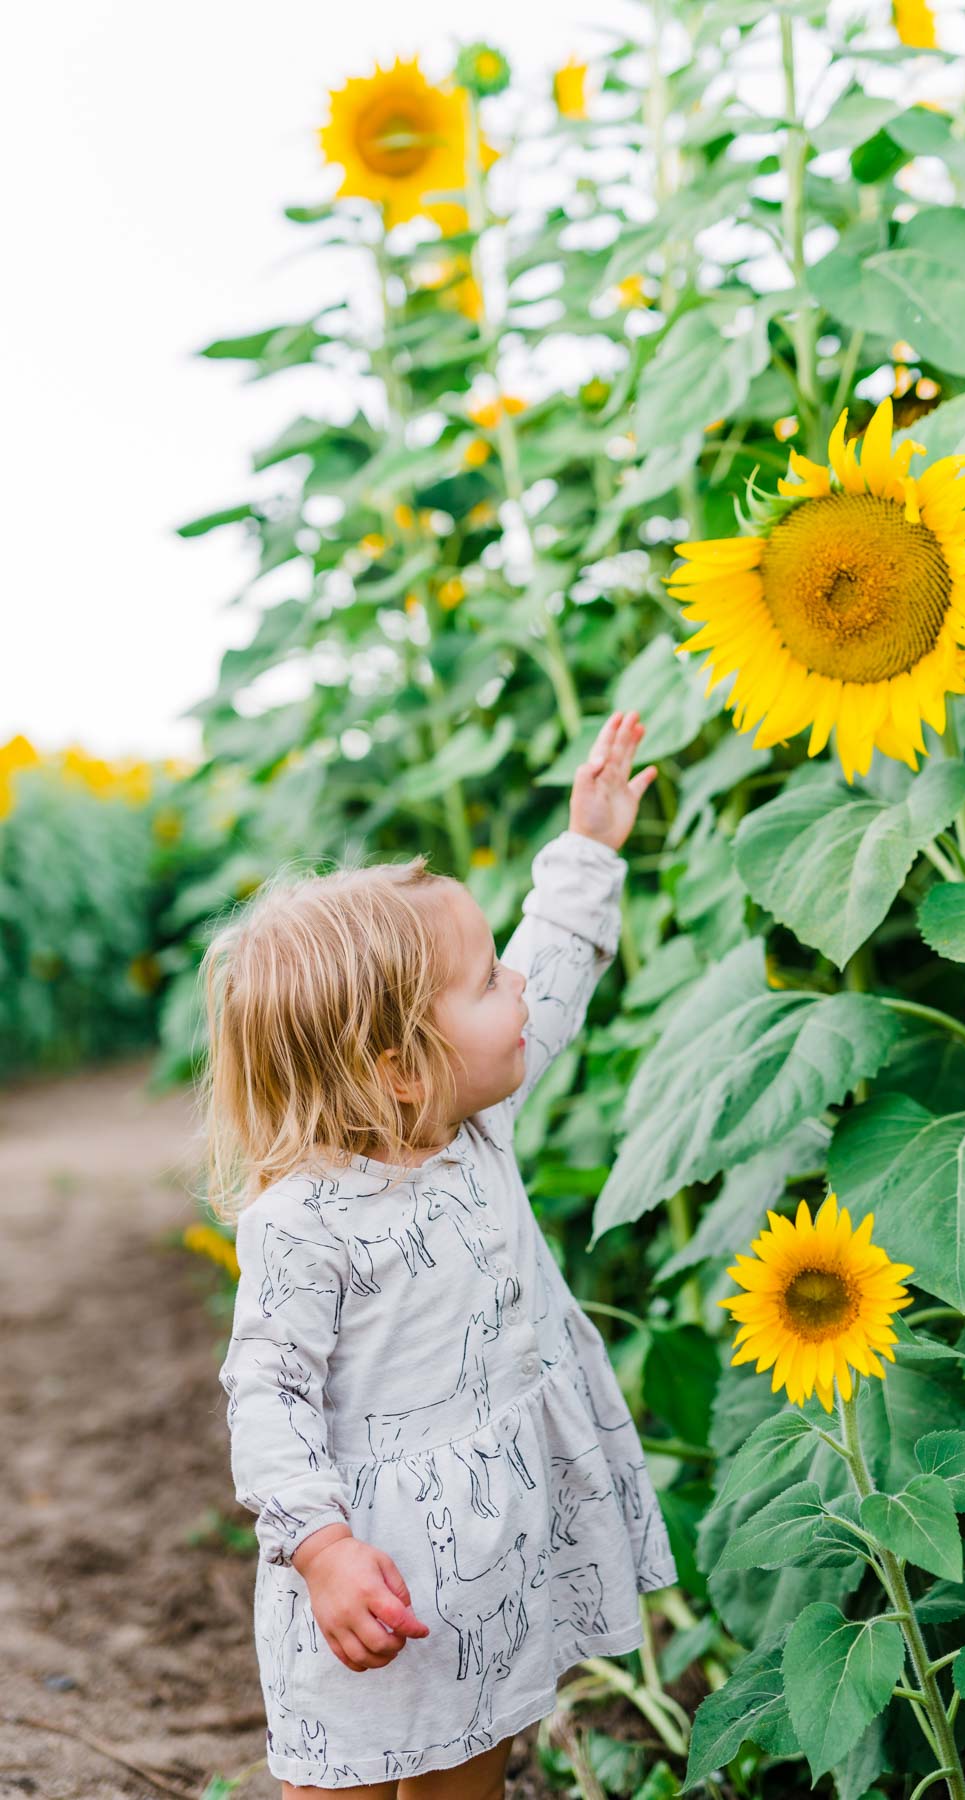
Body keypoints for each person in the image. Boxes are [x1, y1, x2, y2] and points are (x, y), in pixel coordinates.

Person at [202, 710, 677, 1799]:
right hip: (372, 1571)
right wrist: (319, 1550)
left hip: (490, 1555)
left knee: (475, 1752)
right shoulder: (302, 1220)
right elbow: (266, 1394)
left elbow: (551, 970)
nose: (516, 990)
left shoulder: (473, 1126)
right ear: (400, 1068)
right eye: (483, 984)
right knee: (348, 1776)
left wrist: (588, 847)